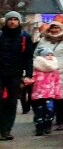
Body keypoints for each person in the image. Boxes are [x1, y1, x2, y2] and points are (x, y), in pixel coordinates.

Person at [39, 16, 63, 130]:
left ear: (61, 28)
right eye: (52, 27)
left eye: (56, 27)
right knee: (45, 98)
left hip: (62, 74)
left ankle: (61, 121)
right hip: (45, 74)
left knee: (60, 99)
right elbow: (36, 54)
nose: (54, 30)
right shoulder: (44, 40)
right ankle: (46, 120)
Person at [1, 11, 33, 140]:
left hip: (15, 75)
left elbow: (28, 57)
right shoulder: (1, 36)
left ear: (19, 21)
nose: (12, 22)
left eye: (15, 19)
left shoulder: (25, 37)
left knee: (11, 103)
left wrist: (28, 75)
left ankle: (6, 129)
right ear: (6, 21)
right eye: (10, 19)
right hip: (1, 73)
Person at [28, 46, 61, 136]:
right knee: (39, 112)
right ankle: (39, 128)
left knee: (49, 111)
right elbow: (31, 80)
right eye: (47, 55)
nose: (50, 56)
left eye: (51, 54)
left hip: (50, 95)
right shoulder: (36, 69)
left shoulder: (54, 70)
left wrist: (57, 93)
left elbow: (57, 82)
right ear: (41, 57)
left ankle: (47, 126)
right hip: (38, 95)